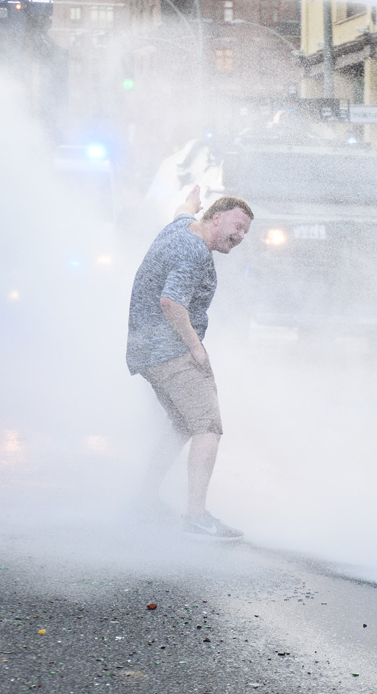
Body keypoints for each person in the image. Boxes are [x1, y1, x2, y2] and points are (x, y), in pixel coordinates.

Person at [127, 186, 253, 541]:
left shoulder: (181, 228)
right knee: (207, 426)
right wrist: (196, 348)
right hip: (171, 352)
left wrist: (191, 200)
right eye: (237, 226)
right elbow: (171, 301)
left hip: (145, 350)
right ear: (216, 218)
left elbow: (181, 210)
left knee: (182, 424)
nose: (240, 236)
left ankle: (143, 500)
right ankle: (196, 517)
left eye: (246, 231)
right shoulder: (195, 250)